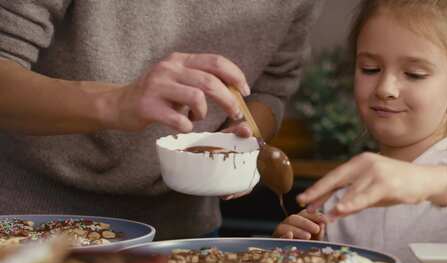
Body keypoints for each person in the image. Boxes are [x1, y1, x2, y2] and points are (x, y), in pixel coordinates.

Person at [0, 1, 324, 240]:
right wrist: (117, 103)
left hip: (185, 237)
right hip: (32, 231)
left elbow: (272, 89)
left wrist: (240, 138)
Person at [273, 0, 447, 263]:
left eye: (414, 74)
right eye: (370, 69)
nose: (385, 88)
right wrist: (294, 254)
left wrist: (438, 184)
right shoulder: (340, 202)